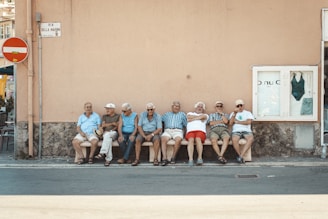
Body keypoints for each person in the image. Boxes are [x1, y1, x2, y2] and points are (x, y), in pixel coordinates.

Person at [160, 101, 187, 166]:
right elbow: (159, 121)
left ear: (179, 108)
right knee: (163, 139)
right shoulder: (166, 114)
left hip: (178, 130)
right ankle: (164, 158)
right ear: (172, 107)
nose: (176, 107)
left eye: (178, 106)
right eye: (175, 106)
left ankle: (173, 157)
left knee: (178, 140)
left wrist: (185, 133)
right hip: (168, 130)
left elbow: (185, 125)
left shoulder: (182, 114)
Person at [229, 99, 254, 164]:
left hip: (246, 130)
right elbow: (230, 123)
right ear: (236, 106)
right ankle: (240, 156)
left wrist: (237, 122)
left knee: (250, 138)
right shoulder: (233, 113)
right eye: (238, 106)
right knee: (234, 140)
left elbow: (248, 122)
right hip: (236, 130)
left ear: (243, 106)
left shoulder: (248, 113)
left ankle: (240, 156)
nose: (240, 107)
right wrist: (234, 113)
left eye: (241, 105)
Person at [186, 101, 209, 166]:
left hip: (201, 131)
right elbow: (188, 117)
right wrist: (199, 118)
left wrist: (193, 119)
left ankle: (199, 158)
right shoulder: (190, 113)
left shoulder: (206, 115)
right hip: (190, 131)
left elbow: (203, 117)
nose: (199, 108)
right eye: (198, 106)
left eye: (201, 107)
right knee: (191, 140)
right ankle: (190, 159)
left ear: (203, 109)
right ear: (195, 107)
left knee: (198, 139)